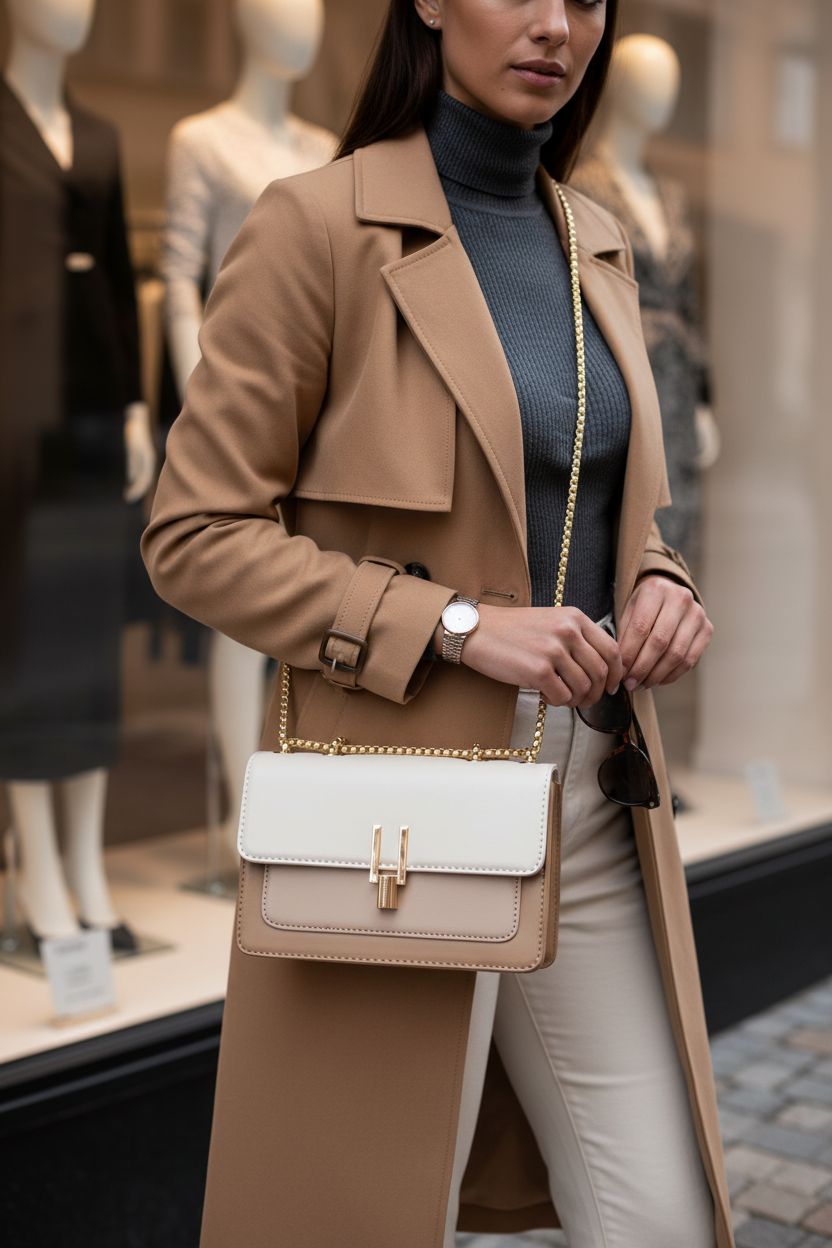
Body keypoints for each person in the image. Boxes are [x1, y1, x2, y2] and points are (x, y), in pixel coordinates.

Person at [140, 2, 734, 1246]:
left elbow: (612, 498)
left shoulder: (596, 240)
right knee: (370, 1212)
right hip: (398, 812)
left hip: (587, 795)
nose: (554, 25)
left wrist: (661, 582)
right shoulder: (316, 225)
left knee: (663, 1219)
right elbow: (194, 536)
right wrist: (457, 624)